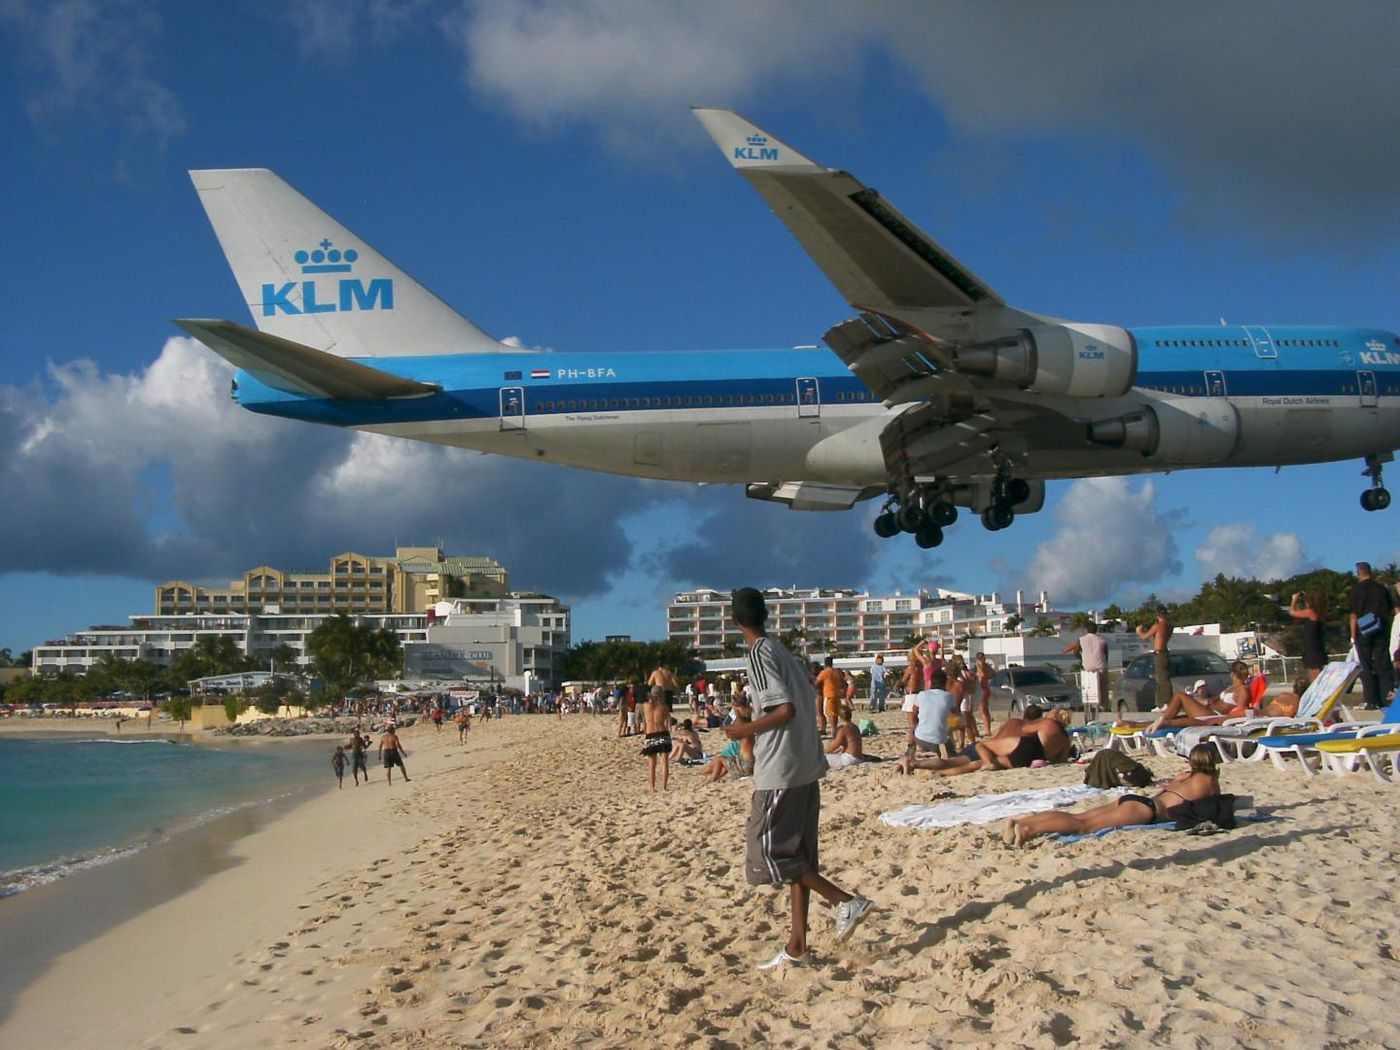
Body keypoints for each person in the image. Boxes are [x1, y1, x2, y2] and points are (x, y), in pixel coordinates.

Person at [725, 587, 872, 969]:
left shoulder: (758, 653)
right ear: (766, 615)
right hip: (807, 763)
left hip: (782, 768)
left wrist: (743, 731)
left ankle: (844, 901)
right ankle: (797, 947)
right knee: (799, 860)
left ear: (735, 621)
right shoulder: (781, 651)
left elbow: (784, 709)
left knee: (766, 856)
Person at [1004, 744, 1221, 846]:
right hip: (1146, 811)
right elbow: (1217, 806)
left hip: (1137, 801)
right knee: (1084, 825)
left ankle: (1022, 822)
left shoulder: (1184, 776)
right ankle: (1028, 829)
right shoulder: (1209, 781)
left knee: (1080, 816)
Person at [1349, 561, 1395, 709]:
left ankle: (1370, 700)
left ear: (1358, 574)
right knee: (1384, 664)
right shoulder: (1382, 589)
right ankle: (1387, 698)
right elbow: (1390, 610)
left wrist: (1353, 636)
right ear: (1371, 572)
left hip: (1363, 631)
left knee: (1366, 666)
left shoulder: (1355, 591)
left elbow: (1353, 615)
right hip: (1380, 630)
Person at [893, 671, 957, 774]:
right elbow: (955, 713)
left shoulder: (922, 694)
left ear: (931, 682)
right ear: (945, 683)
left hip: (919, 739)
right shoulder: (949, 696)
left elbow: (914, 710)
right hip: (938, 741)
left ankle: (909, 754)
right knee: (951, 755)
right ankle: (950, 753)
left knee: (914, 727)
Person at [1064, 623, 1108, 717]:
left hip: (1087, 667)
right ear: (1096, 630)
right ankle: (1104, 706)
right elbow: (1106, 655)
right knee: (1103, 686)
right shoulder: (1102, 641)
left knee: (1088, 686)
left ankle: (1088, 704)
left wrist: (1083, 660)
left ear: (1086, 630)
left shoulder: (1081, 640)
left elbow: (1076, 652)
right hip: (1100, 667)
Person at [1137, 606, 1173, 707]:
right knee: (1161, 678)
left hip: (1160, 653)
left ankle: (1167, 702)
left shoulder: (1158, 626)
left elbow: (1144, 636)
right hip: (1164, 652)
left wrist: (1139, 631)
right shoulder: (1169, 626)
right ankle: (1161, 703)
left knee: (1163, 679)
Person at [1289, 589, 1328, 681]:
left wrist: (1294, 600)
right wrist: (1298, 603)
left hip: (1312, 648)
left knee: (1315, 674)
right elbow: (1298, 617)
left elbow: (1292, 612)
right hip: (1314, 645)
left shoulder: (1312, 612)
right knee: (1315, 672)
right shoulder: (1318, 611)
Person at [641, 685, 673, 792]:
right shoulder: (664, 707)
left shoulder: (645, 706)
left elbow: (645, 721)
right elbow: (668, 721)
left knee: (651, 764)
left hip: (651, 734)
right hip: (663, 733)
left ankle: (652, 788)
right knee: (664, 762)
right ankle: (664, 787)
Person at [815, 656, 845, 737]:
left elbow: (817, 683)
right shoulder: (837, 671)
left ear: (825, 664)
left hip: (829, 694)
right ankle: (834, 729)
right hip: (837, 694)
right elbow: (843, 682)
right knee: (835, 713)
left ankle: (834, 730)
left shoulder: (824, 672)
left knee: (831, 713)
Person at [973, 651, 994, 735]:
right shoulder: (987, 666)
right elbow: (993, 674)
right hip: (986, 688)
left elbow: (981, 676)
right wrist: (988, 676)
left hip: (982, 689)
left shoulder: (980, 666)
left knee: (983, 711)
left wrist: (979, 669)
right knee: (985, 710)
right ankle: (987, 729)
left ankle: (987, 730)